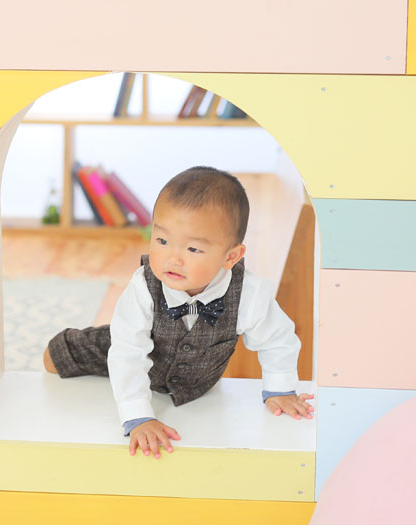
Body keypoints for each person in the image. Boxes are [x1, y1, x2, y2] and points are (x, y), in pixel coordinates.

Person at [43, 165, 314, 457]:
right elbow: (127, 351)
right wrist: (138, 416)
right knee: (56, 358)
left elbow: (277, 338)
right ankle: (63, 349)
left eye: (193, 249)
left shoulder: (249, 293)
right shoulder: (143, 287)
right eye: (162, 241)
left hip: (195, 384)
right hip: (128, 343)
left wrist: (280, 389)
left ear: (231, 257)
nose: (173, 258)